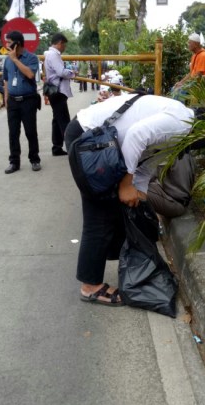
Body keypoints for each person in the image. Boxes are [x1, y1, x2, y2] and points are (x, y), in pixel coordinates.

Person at [63, 93, 195, 306]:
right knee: (100, 215)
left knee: (114, 208)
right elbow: (136, 135)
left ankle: (109, 261)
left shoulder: (182, 128)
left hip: (106, 143)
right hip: (89, 138)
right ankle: (90, 287)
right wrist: (125, 185)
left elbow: (147, 162)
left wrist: (139, 193)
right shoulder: (181, 124)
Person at [2, 30, 41, 174]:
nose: (6, 45)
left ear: (17, 44)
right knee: (13, 133)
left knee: (30, 131)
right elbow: (6, 79)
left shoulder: (31, 58)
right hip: (13, 101)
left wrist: (15, 60)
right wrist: (6, 98)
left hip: (28, 100)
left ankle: (35, 159)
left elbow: (30, 74)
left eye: (9, 42)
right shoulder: (7, 60)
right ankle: (14, 162)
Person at [44, 32, 76, 157]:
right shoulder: (54, 55)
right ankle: (71, 148)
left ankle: (56, 147)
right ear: (59, 43)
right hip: (58, 91)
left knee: (57, 120)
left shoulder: (49, 54)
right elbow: (61, 72)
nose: (64, 48)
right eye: (64, 45)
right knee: (64, 121)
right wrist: (72, 73)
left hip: (54, 91)